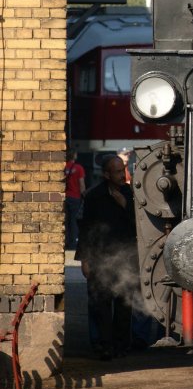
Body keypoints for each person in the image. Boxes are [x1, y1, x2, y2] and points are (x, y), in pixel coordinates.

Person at [75, 155, 139, 360]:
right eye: (118, 171)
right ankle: (103, 345)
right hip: (100, 259)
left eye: (124, 170)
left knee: (124, 306)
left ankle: (121, 345)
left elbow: (141, 226)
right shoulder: (93, 196)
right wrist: (84, 260)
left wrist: (125, 206)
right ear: (106, 174)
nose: (123, 175)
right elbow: (85, 229)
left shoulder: (131, 194)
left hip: (126, 259)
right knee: (100, 306)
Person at [64, 148, 86, 251]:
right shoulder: (79, 168)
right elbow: (81, 183)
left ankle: (66, 242)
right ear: (74, 156)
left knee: (66, 221)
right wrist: (84, 194)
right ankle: (73, 244)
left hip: (65, 197)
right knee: (74, 221)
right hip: (75, 197)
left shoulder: (63, 167)